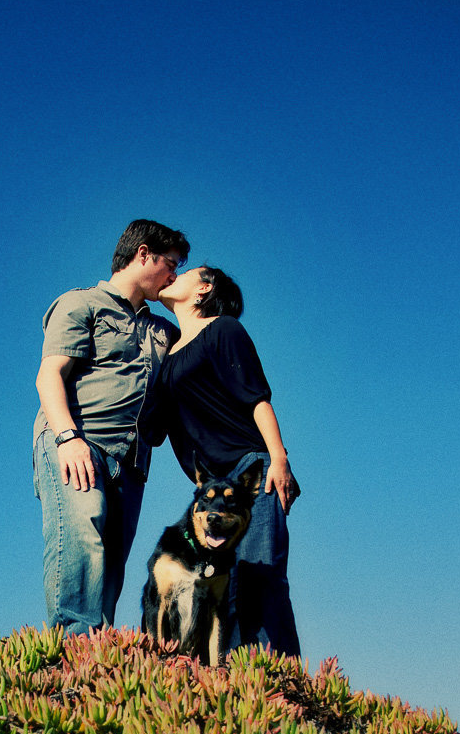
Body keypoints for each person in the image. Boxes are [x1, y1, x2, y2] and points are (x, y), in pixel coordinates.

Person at [32, 219, 190, 634]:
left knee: (111, 561)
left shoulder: (164, 330)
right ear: (143, 255)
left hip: (132, 461)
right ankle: (71, 651)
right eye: (170, 265)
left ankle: (98, 663)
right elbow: (49, 376)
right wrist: (68, 439)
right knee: (83, 534)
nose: (174, 276)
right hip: (76, 440)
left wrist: (182, 302)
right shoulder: (81, 303)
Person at [140, 264, 302, 658]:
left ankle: (275, 681)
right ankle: (229, 687)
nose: (173, 274)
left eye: (186, 272)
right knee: (222, 591)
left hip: (250, 473)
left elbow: (257, 398)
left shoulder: (223, 329)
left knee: (260, 579)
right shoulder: (170, 352)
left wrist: (278, 459)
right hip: (210, 488)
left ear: (204, 289)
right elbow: (154, 430)